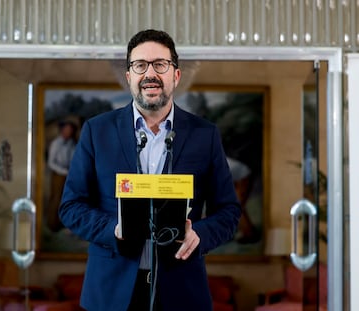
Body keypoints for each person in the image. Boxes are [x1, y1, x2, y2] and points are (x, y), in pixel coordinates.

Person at [59, 29, 241, 311]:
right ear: (129, 76)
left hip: (182, 291)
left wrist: (200, 234)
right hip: (110, 293)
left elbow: (229, 212)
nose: (150, 74)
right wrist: (113, 230)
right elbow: (71, 207)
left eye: (160, 65)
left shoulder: (205, 135)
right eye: (140, 65)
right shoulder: (97, 131)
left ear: (176, 75)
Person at [46, 119, 78, 232]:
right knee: (56, 199)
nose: (68, 132)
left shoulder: (72, 143)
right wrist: (63, 171)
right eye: (67, 129)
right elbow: (51, 163)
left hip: (69, 174)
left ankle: (64, 223)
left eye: (71, 130)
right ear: (62, 130)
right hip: (58, 174)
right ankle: (52, 224)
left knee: (67, 199)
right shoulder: (56, 143)